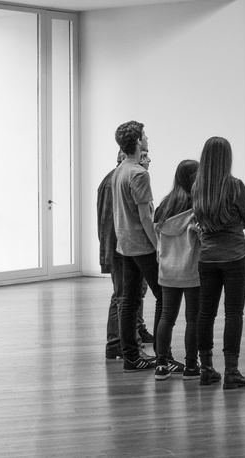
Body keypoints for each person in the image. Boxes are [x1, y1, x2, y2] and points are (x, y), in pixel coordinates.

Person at [193, 136, 245, 390]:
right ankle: (231, 371)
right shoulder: (235, 186)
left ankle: (206, 369)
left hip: (207, 257)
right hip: (235, 255)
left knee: (205, 312)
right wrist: (236, 224)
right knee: (234, 312)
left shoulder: (198, 188)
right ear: (227, 158)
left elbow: (199, 220)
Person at [112, 121, 164, 373]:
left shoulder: (119, 170)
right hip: (143, 247)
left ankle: (131, 357)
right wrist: (159, 247)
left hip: (125, 245)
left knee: (129, 301)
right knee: (164, 297)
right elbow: (145, 217)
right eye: (144, 135)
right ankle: (163, 356)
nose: (147, 138)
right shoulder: (139, 173)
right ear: (137, 141)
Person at [96, 150, 153, 360]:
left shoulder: (123, 177)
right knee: (123, 296)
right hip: (122, 248)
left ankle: (134, 332)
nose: (146, 159)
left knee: (133, 293)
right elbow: (111, 221)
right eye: (143, 153)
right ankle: (117, 343)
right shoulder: (116, 180)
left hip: (127, 246)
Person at [153, 159, 202, 381]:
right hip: (191, 270)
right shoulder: (196, 208)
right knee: (193, 319)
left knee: (166, 317)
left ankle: (161, 365)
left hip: (167, 270)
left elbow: (156, 234)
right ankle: (191, 366)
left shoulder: (164, 206)